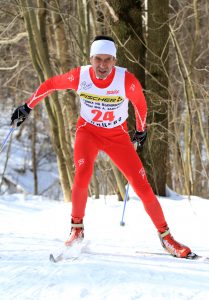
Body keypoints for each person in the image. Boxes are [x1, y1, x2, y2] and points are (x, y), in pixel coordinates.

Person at [11, 35, 192, 258]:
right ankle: (76, 230)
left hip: (117, 136)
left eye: (108, 60)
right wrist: (27, 107)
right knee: (82, 174)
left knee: (142, 186)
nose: (103, 65)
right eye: (98, 59)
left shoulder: (126, 81)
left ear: (115, 61)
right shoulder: (81, 76)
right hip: (88, 132)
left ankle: (167, 238)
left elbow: (140, 104)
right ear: (91, 58)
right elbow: (51, 85)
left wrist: (142, 130)